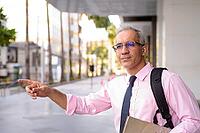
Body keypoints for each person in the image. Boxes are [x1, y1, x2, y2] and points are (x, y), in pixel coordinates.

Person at [18, 26, 200, 133]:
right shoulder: (116, 86)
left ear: (143, 49)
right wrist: (49, 92)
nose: (124, 51)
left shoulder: (168, 80)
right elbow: (83, 105)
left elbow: (194, 121)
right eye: (119, 46)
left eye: (130, 44)